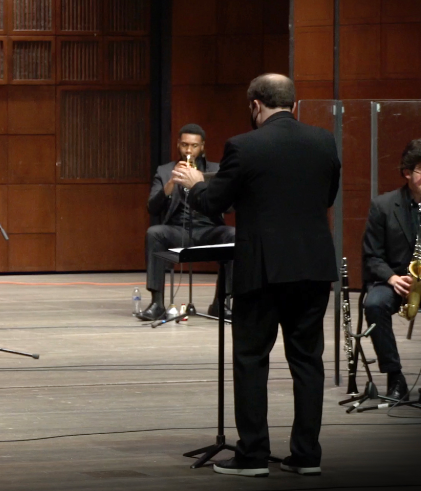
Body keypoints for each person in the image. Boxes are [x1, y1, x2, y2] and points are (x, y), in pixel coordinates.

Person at [174, 74, 340, 478]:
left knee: (251, 360)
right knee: (307, 361)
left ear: (254, 105)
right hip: (313, 267)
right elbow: (327, 196)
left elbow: (215, 201)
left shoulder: (244, 146)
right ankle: (306, 455)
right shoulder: (324, 141)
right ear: (294, 105)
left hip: (263, 270)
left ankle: (252, 456)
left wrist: (195, 184)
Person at [361, 139, 421, 401]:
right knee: (374, 304)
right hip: (396, 280)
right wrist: (391, 278)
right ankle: (395, 377)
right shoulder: (383, 205)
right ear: (407, 172)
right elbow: (371, 255)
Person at [139, 124, 234, 321]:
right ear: (178, 145)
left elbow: (230, 207)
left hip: (209, 231)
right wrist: (170, 184)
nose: (188, 151)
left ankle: (221, 303)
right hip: (177, 230)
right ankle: (157, 303)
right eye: (184, 145)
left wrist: (204, 183)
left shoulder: (216, 170)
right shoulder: (165, 171)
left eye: (194, 146)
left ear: (202, 147)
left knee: (233, 234)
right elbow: (152, 208)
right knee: (154, 232)